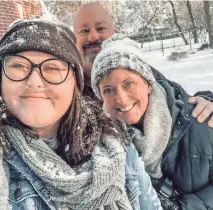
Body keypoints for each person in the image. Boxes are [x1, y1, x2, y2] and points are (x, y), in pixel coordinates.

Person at [0, 17, 162, 210]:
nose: (34, 82)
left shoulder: (117, 147)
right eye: (18, 66)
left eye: (52, 68)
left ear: (75, 83)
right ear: (1, 80)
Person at [91, 33, 213, 210]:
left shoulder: (201, 121)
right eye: (108, 90)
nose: (122, 99)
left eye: (128, 84)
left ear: (148, 83)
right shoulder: (101, 143)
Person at [73, 2, 213, 128]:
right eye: (84, 31)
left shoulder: (137, 69)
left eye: (100, 28)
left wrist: (205, 102)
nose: (93, 37)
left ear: (115, 33)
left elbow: (178, 101)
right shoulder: (67, 87)